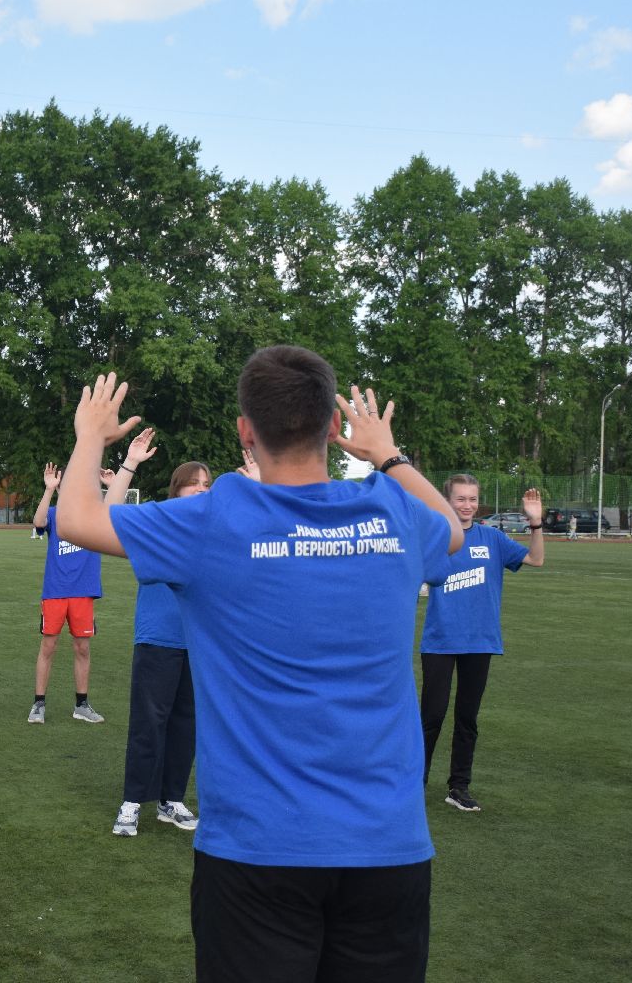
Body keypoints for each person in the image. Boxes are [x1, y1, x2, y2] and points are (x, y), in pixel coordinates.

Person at [56, 347, 462, 983]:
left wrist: (90, 438)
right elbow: (453, 530)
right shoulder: (393, 511)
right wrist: (387, 453)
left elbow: (76, 519)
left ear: (245, 430)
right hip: (387, 844)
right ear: (333, 426)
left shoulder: (217, 516)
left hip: (257, 848)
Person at [420, 476, 546, 814]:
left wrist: (535, 523)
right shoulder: (436, 537)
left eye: (472, 499)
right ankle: (413, 784)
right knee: (431, 716)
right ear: (448, 500)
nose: (467, 505)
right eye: (460, 498)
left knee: (467, 718)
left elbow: (536, 560)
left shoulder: (492, 538)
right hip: (440, 641)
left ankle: (458, 787)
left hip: (479, 641)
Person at [113, 430, 211, 838]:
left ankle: (171, 800)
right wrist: (129, 463)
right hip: (158, 639)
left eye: (208, 485)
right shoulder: (159, 521)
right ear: (178, 489)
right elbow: (109, 514)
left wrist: (259, 481)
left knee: (186, 725)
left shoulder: (216, 526)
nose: (202, 490)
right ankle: (133, 801)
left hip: (200, 642)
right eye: (194, 483)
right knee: (148, 723)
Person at [28, 461, 131, 725]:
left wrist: (111, 487)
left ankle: (81, 705)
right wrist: (49, 489)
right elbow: (38, 522)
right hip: (55, 591)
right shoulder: (54, 513)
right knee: (48, 645)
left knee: (82, 648)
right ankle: (38, 703)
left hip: (83, 592)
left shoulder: (92, 514)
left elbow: (119, 516)